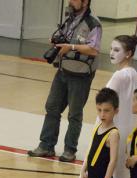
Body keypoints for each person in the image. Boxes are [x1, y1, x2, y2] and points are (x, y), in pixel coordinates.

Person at [65, 35, 137, 178]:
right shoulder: (133, 74)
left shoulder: (119, 77)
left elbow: (104, 109)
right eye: (111, 49)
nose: (112, 53)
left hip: (107, 133)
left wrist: (97, 133)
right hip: (124, 134)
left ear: (129, 53)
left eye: (117, 50)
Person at [28, 0, 102, 162]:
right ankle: (46, 145)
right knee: (52, 107)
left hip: (81, 75)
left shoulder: (93, 23)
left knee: (74, 114)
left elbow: (94, 49)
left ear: (85, 2)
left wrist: (72, 47)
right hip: (63, 71)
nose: (70, 1)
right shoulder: (70, 17)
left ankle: (70, 150)